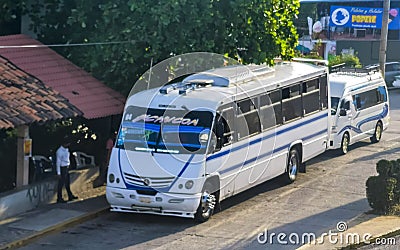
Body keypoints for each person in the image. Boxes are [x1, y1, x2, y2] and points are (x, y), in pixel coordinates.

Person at [56, 136, 78, 203]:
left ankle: (70, 195)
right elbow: (58, 162)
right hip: (63, 167)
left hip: (67, 167)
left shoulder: (66, 149)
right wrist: (58, 173)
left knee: (67, 182)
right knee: (61, 183)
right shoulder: (59, 151)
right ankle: (59, 198)